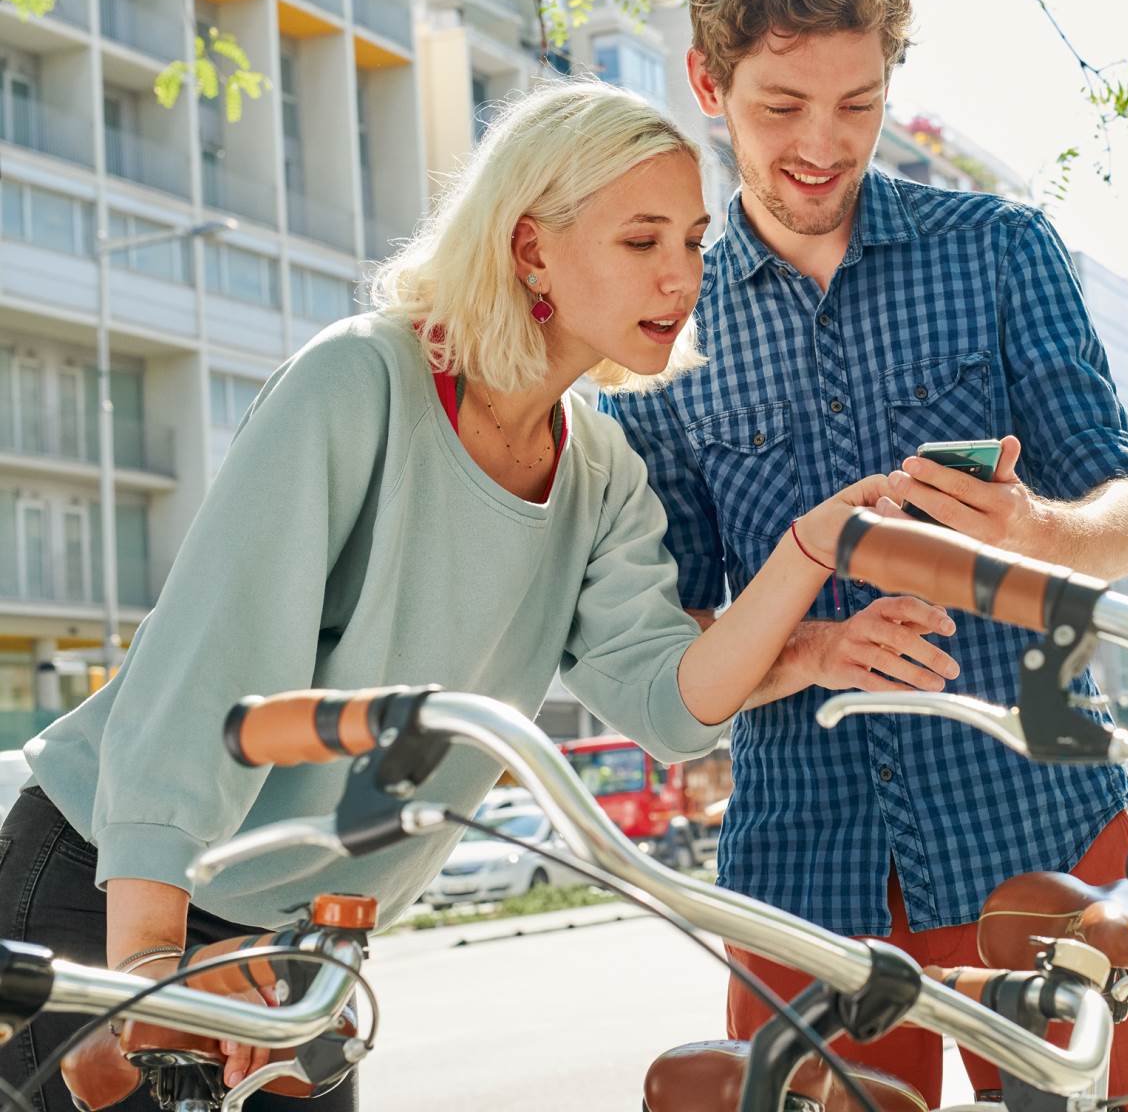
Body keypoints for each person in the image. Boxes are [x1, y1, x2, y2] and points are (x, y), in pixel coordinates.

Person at [2, 80, 886, 1111]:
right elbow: (205, 673)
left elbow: (669, 703)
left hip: (298, 943)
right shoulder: (360, 382)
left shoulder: (600, 468)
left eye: (693, 242)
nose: (681, 275)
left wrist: (807, 556)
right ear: (529, 247)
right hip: (115, 876)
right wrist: (149, 965)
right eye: (642, 240)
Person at [602, 0, 1128, 1108]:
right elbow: (676, 647)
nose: (823, 144)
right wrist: (810, 646)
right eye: (781, 105)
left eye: (857, 104)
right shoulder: (664, 324)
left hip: (1042, 832)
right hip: (805, 876)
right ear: (708, 83)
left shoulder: (1002, 250)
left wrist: (1033, 530)